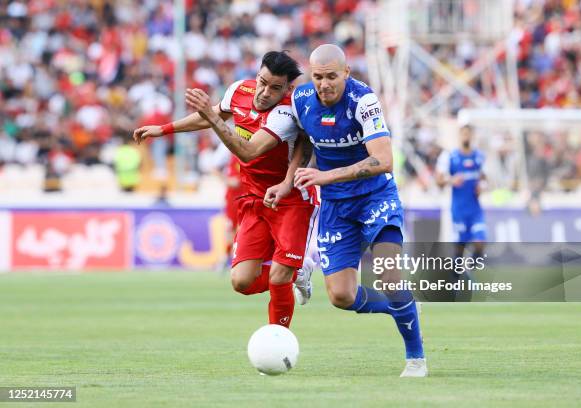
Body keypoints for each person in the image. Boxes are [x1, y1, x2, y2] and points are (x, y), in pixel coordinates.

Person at [133, 51, 317, 328]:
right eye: (262, 82)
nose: (265, 92)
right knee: (241, 281)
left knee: (279, 277)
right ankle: (294, 270)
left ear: (288, 88)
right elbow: (210, 117)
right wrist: (165, 129)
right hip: (255, 198)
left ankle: (279, 339)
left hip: (290, 199)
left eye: (275, 88)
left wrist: (211, 115)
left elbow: (247, 152)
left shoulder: (286, 113)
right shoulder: (239, 90)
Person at [281, 44, 427, 377]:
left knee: (390, 277)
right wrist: (289, 181)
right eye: (318, 77)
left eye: (332, 76)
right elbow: (303, 140)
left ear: (346, 73)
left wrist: (324, 176)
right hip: (337, 206)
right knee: (341, 296)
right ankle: (403, 306)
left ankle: (415, 357)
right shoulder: (301, 100)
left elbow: (384, 160)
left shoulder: (364, 101)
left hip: (375, 197)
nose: (324, 84)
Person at [435, 124, 487, 263]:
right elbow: (438, 181)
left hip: (475, 210)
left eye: (468, 134)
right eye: (463, 133)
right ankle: (456, 275)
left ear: (472, 136)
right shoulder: (450, 157)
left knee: (480, 242)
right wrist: (451, 180)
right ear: (459, 136)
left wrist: (482, 186)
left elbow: (484, 178)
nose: (466, 136)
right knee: (459, 248)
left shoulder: (479, 157)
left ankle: (470, 267)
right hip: (458, 210)